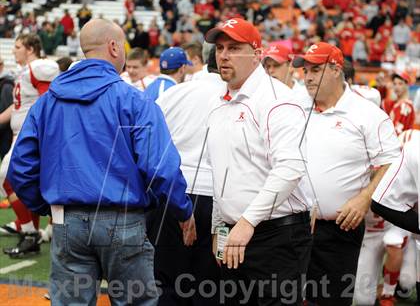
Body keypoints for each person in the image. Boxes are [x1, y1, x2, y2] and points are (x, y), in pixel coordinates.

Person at [6, 19, 196, 305]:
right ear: (113, 47)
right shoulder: (134, 100)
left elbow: (20, 166)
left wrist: (47, 205)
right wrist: (183, 211)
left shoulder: (48, 102)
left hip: (67, 218)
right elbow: (159, 167)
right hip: (124, 217)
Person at [205, 18, 312, 305]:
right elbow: (222, 172)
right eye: (220, 48)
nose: (224, 55)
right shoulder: (219, 104)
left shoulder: (278, 100)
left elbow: (290, 169)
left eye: (234, 48)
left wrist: (246, 221)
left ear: (256, 53)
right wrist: (220, 227)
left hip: (276, 235)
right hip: (236, 233)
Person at [292, 42, 401, 305]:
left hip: (337, 228)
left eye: (315, 70)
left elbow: (393, 161)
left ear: (335, 69)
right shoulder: (294, 106)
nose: (307, 77)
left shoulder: (366, 113)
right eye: (305, 70)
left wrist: (364, 198)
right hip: (292, 225)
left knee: (330, 299)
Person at [148, 46, 223, 306]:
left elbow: (148, 140)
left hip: (173, 192)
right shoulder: (235, 98)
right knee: (211, 284)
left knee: (167, 283)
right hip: (217, 198)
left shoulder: (177, 93)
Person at [0, 34, 59, 254]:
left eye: (18, 47)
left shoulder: (39, 67)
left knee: (7, 177)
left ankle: (30, 232)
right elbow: (18, 107)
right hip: (21, 133)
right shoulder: (25, 71)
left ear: (31, 48)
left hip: (30, 135)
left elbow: (48, 100)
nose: (14, 51)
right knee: (20, 182)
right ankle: (30, 233)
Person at [371, 129, 420, 305]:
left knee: (407, 282)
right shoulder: (412, 149)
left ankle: (390, 289)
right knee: (362, 297)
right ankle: (387, 291)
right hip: (378, 227)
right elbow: (379, 202)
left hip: (403, 225)